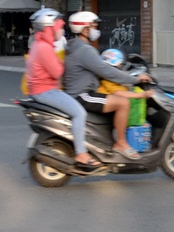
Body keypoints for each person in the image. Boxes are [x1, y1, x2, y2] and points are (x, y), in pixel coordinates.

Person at [63, 11, 152, 160]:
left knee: (115, 96)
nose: (96, 31)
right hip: (83, 95)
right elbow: (107, 71)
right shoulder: (85, 50)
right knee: (122, 103)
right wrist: (134, 79)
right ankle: (121, 144)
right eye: (94, 26)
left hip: (81, 92)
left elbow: (102, 69)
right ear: (85, 29)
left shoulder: (74, 46)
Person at [25, 9, 100, 168]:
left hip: (42, 90)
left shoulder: (39, 44)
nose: (62, 30)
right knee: (79, 113)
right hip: (46, 91)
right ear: (49, 28)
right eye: (59, 27)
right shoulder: (44, 48)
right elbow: (58, 72)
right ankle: (81, 153)